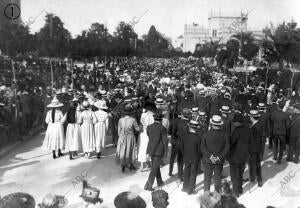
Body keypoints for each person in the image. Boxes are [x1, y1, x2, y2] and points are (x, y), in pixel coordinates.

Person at [202, 115, 229, 193]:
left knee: (207, 181)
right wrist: (218, 158)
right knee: (217, 181)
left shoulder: (206, 134)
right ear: (220, 124)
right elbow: (226, 148)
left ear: (212, 123)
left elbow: (202, 147)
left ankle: (206, 198)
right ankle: (217, 198)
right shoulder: (225, 135)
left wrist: (211, 156)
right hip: (218, 161)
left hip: (207, 160)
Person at [144, 109, 168, 191]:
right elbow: (165, 141)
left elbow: (149, 137)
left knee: (155, 166)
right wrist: (166, 151)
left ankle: (160, 181)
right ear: (161, 119)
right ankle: (148, 185)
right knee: (154, 169)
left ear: (154, 118)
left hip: (150, 149)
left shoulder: (149, 127)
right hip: (159, 151)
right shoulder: (162, 128)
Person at [228, 113, 250, 197]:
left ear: (238, 122)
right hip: (244, 156)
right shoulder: (248, 130)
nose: (233, 123)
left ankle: (235, 192)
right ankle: (240, 189)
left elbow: (231, 143)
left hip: (235, 157)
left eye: (234, 122)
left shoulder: (236, 131)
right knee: (240, 173)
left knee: (234, 175)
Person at [116, 104, 140, 173]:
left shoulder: (120, 120)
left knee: (123, 150)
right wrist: (141, 126)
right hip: (130, 136)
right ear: (131, 113)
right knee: (130, 149)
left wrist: (120, 136)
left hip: (122, 136)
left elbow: (118, 130)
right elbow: (137, 129)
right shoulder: (133, 120)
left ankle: (123, 165)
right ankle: (131, 164)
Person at [181, 120, 202, 195]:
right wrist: (199, 156)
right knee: (193, 173)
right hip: (195, 158)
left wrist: (184, 154)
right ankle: (190, 190)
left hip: (186, 157)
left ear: (189, 127)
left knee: (186, 172)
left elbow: (182, 147)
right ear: (196, 128)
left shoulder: (184, 136)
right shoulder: (198, 138)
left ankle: (184, 187)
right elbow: (200, 150)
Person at [137, 102, 155, 171]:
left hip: (143, 132)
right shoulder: (152, 115)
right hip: (149, 132)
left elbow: (141, 123)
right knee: (148, 147)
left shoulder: (143, 114)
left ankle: (141, 165)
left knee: (142, 147)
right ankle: (148, 163)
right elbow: (152, 124)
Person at [248, 110, 263, 187]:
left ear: (252, 118)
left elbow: (251, 139)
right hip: (259, 147)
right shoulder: (260, 124)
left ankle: (252, 178)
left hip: (252, 148)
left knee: (251, 164)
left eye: (250, 116)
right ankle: (259, 179)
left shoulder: (253, 127)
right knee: (258, 164)